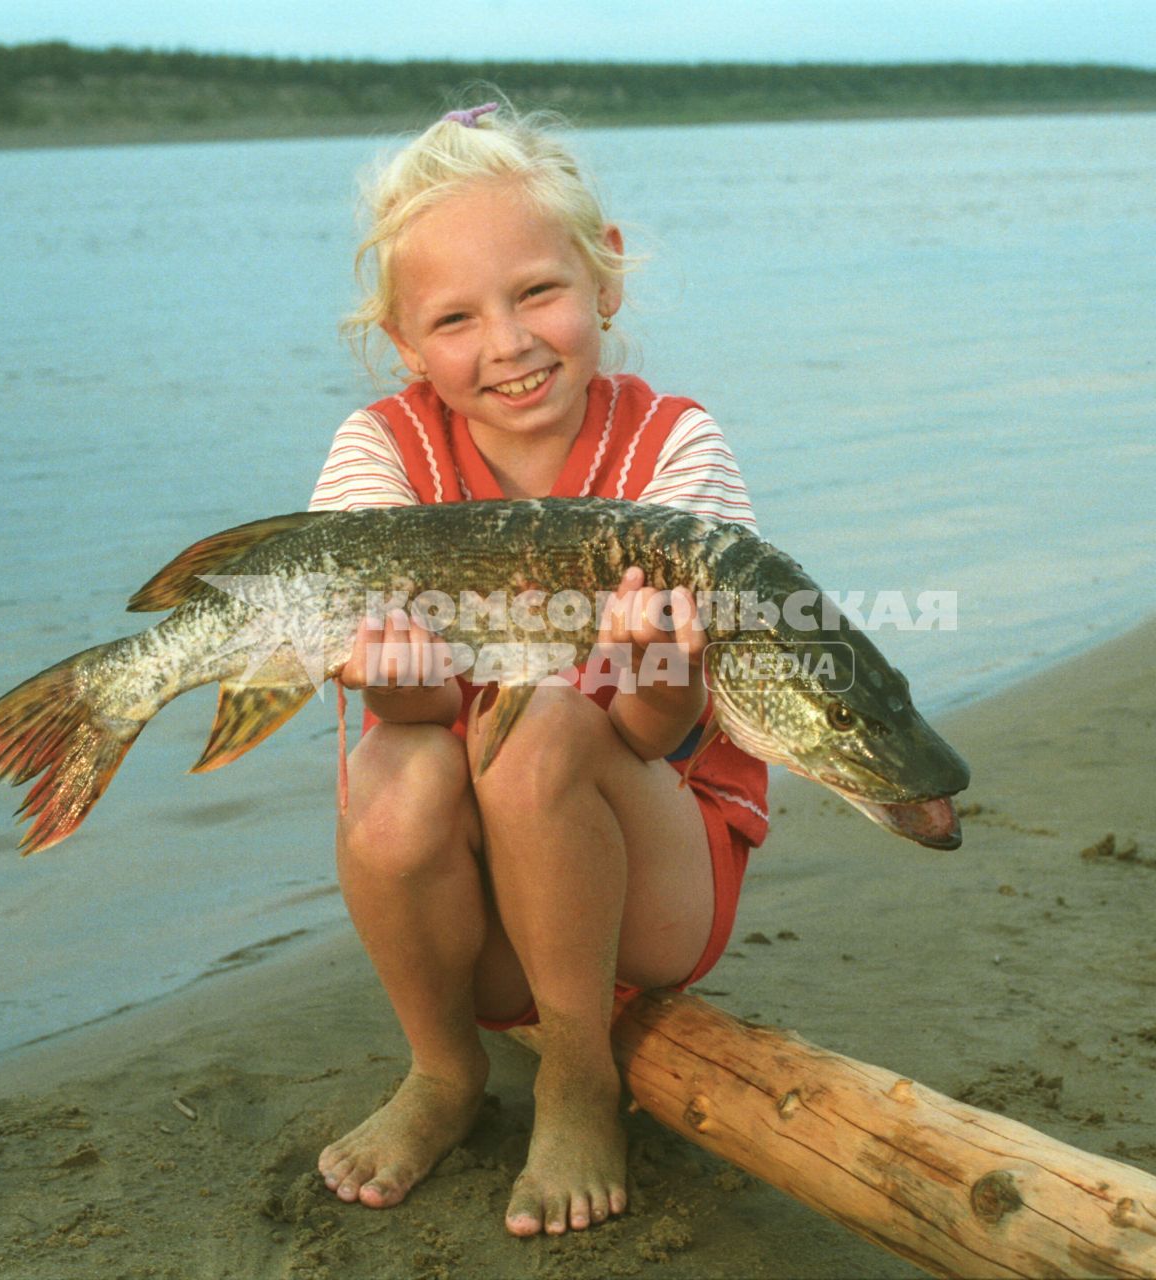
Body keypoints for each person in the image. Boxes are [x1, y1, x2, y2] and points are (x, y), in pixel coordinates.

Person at [306, 98, 768, 1238]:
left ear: (604, 276)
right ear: (407, 344)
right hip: (476, 932)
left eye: (538, 293)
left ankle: (576, 1077)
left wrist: (655, 665)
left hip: (642, 899)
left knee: (554, 722)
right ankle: (442, 1067)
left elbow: (663, 728)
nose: (506, 342)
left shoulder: (674, 447)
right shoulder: (381, 452)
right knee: (401, 763)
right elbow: (403, 705)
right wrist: (394, 670)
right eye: (455, 318)